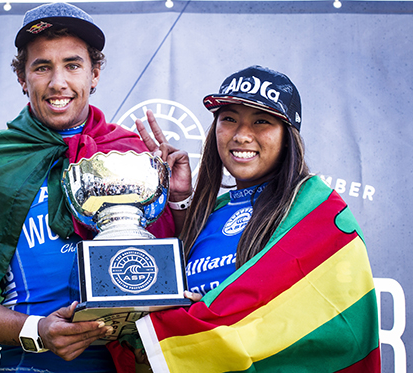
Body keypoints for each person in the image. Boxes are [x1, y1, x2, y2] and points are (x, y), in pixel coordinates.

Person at [0, 3, 174, 372]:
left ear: (95, 73)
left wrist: (175, 198)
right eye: (41, 67)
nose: (58, 83)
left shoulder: (129, 156)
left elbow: (176, 272)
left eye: (72, 64)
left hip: (131, 364)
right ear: (22, 78)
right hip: (31, 364)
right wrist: (37, 330)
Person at [134, 66, 380, 372]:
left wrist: (208, 314)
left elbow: (331, 331)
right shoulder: (213, 209)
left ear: (288, 136)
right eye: (229, 119)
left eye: (261, 121)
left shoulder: (316, 213)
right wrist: (181, 199)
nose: (241, 135)